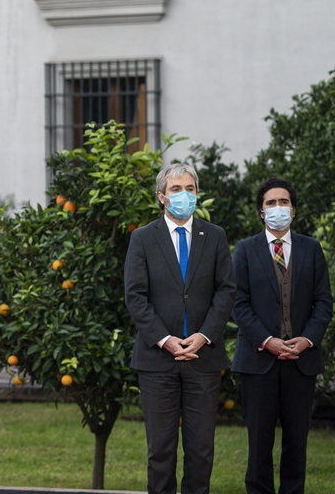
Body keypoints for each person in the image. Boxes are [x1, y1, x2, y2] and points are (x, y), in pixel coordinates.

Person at [124, 163, 236, 494]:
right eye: (176, 189)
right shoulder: (142, 238)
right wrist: (165, 340)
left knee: (201, 452)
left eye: (190, 188)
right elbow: (135, 296)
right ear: (162, 197)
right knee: (160, 452)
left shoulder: (215, 236)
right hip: (157, 361)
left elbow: (226, 291)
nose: (184, 195)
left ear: (197, 193)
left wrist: (203, 336)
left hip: (204, 360)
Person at [231, 177, 333, 494]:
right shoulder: (245, 251)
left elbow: (323, 302)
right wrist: (267, 340)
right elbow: (239, 303)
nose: (278, 208)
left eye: (284, 202)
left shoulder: (311, 249)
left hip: (301, 363)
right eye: (271, 203)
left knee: (296, 443)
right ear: (261, 213)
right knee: (259, 444)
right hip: (258, 362)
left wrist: (306, 339)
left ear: (294, 209)